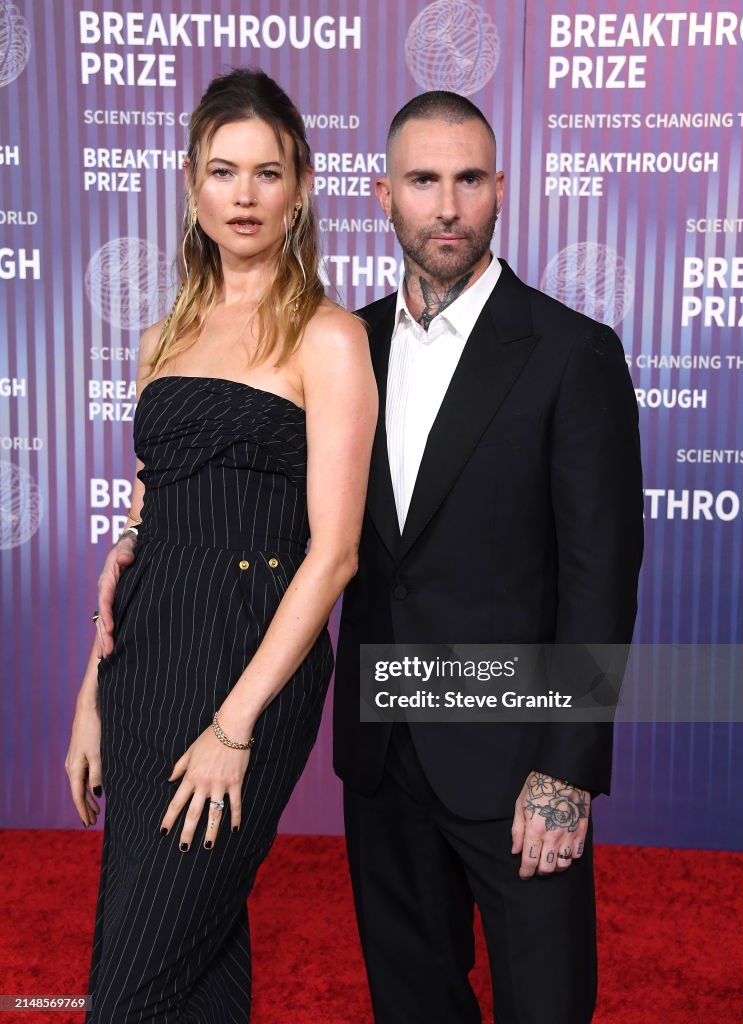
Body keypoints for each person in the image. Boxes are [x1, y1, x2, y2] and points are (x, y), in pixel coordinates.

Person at [65, 68, 376, 1023]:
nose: (244, 195)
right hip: (148, 658)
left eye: (267, 173)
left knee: (129, 989)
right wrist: (91, 692)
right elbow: (144, 521)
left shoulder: (328, 338)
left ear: (301, 189)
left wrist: (234, 727)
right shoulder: (160, 337)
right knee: (194, 960)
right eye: (223, 170)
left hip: (251, 664)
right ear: (193, 186)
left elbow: (335, 554)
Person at [333, 92, 644, 1023]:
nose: (447, 206)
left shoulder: (571, 352)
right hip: (383, 757)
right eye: (423, 181)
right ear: (383, 195)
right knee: (412, 1005)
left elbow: (602, 577)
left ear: (500, 189)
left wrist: (568, 767)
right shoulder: (344, 346)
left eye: (469, 179)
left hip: (518, 765)